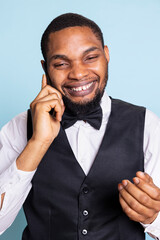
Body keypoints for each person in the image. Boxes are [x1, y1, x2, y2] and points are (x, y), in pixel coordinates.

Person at [0, 13, 160, 240]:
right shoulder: (20, 128)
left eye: (90, 57)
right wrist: (38, 142)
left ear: (106, 55)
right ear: (45, 68)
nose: (78, 73)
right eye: (61, 63)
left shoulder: (147, 124)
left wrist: (154, 216)